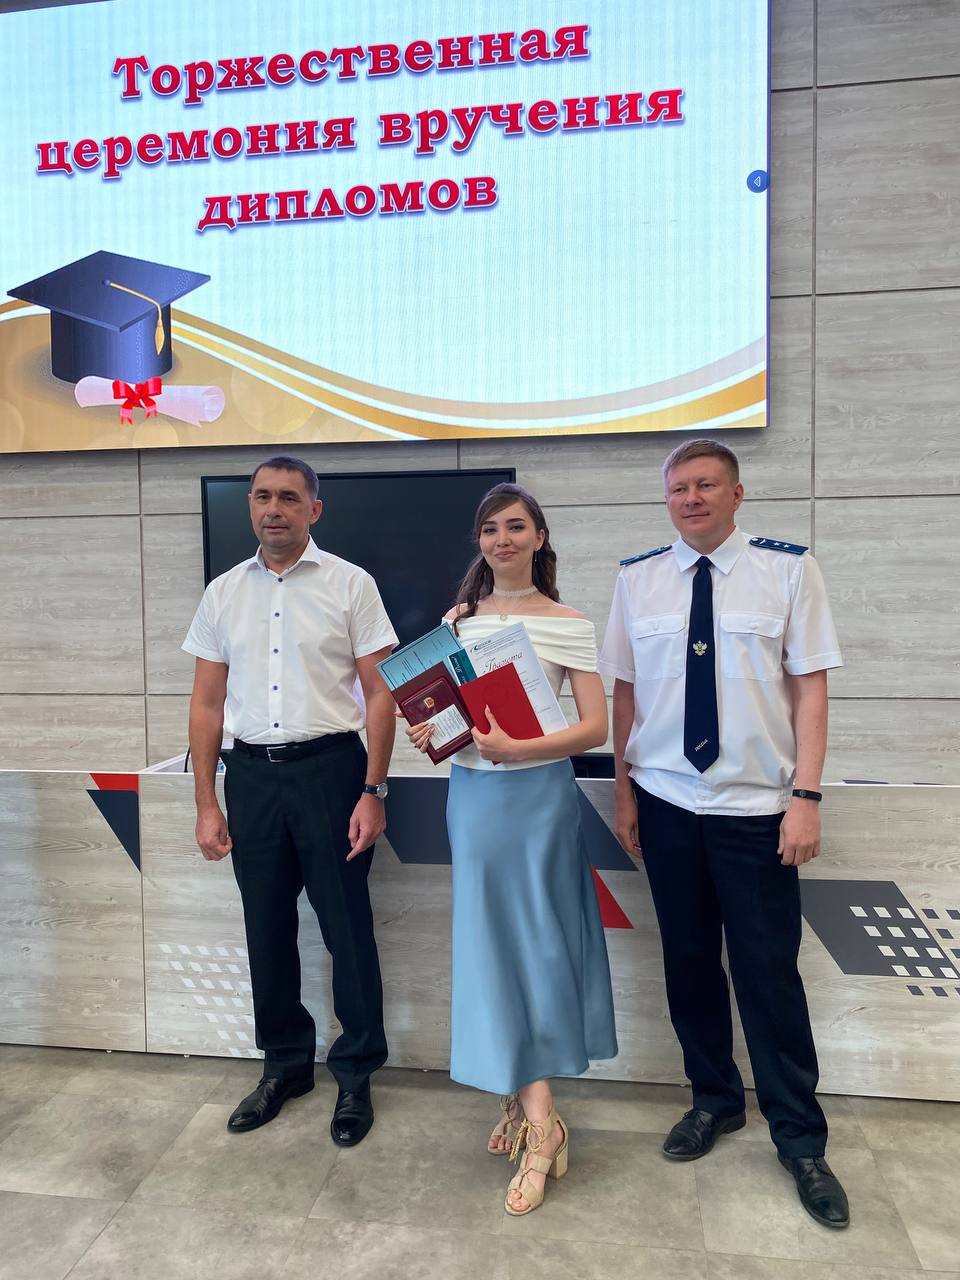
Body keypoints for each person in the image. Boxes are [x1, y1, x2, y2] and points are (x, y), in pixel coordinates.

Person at [599, 438, 849, 1229]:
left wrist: (805, 796)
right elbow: (625, 695)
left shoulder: (787, 571)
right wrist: (626, 791)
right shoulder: (637, 580)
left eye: (706, 484)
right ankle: (713, 1100)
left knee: (769, 975)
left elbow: (811, 692)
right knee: (689, 964)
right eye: (679, 488)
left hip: (757, 809)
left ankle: (800, 1139)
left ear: (737, 494)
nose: (691, 498)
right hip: (668, 803)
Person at [408, 482, 618, 1217]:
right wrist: (431, 732)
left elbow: (594, 728)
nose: (503, 539)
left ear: (539, 537)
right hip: (472, 798)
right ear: (480, 541)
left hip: (538, 801)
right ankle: (523, 1098)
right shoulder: (456, 625)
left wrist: (521, 748)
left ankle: (542, 1126)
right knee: (490, 945)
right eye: (491, 528)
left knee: (535, 945)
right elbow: (451, 722)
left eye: (517, 526)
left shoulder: (570, 622)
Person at [183, 454, 398, 1147]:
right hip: (250, 778)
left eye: (288, 498)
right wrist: (207, 802)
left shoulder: (350, 584)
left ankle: (356, 1075)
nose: (273, 509)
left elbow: (380, 694)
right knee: (266, 929)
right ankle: (284, 1066)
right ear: (250, 506)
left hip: (332, 773)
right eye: (262, 497)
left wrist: (373, 789)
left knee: (346, 931)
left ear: (314, 509)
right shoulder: (223, 592)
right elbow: (206, 703)